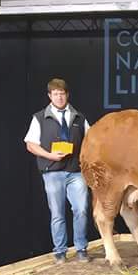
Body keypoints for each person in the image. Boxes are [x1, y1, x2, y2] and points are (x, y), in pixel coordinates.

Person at [24, 78, 92, 264]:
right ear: (49, 96)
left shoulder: (79, 118)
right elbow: (30, 144)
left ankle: (81, 248)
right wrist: (49, 155)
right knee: (57, 213)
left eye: (62, 94)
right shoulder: (39, 117)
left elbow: (92, 141)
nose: (59, 97)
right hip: (53, 171)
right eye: (55, 94)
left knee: (82, 210)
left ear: (67, 95)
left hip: (76, 171)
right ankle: (60, 251)